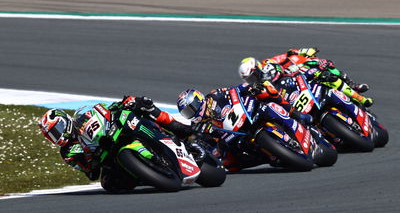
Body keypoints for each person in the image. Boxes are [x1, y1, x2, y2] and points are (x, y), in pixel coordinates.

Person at [38, 95, 193, 192]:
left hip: (118, 130)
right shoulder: (68, 152)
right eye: (51, 135)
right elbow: (91, 173)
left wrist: (124, 103)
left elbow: (107, 109)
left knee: (141, 105)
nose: (55, 136)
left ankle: (175, 129)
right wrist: (92, 155)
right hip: (109, 157)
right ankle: (148, 176)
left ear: (64, 121)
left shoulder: (83, 115)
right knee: (108, 184)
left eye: (56, 130)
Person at [177, 86, 312, 172]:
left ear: (198, 100)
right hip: (234, 137)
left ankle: (295, 115)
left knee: (268, 97)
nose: (191, 113)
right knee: (228, 164)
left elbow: (234, 90)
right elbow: (203, 141)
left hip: (248, 113)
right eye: (187, 113)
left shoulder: (214, 95)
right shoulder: (198, 126)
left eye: (191, 108)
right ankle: (267, 157)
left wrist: (251, 88)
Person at [240, 53, 373, 107]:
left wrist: (304, 52)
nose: (252, 80)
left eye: (252, 75)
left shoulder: (268, 63)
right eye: (248, 79)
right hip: (289, 94)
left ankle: (355, 90)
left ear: (256, 67)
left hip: (297, 76)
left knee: (324, 66)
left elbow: (288, 55)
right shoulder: (257, 86)